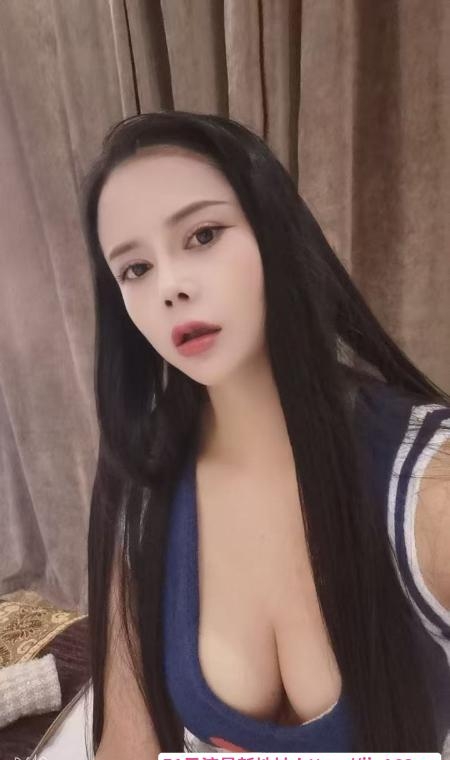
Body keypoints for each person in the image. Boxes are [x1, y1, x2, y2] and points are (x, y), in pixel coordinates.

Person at [79, 111, 450, 757]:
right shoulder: (143, 481)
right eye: (135, 269)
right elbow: (128, 741)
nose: (171, 287)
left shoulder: (430, 484)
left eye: (202, 235)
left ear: (274, 231)